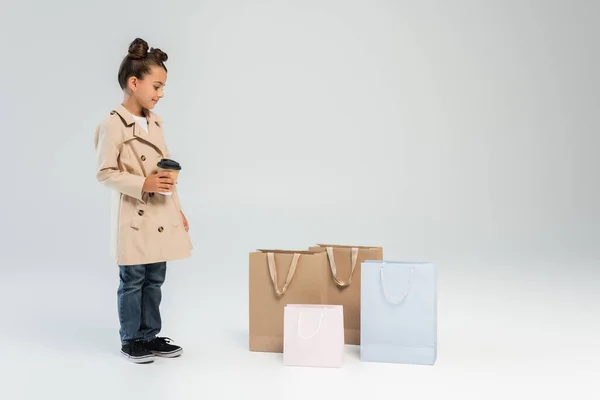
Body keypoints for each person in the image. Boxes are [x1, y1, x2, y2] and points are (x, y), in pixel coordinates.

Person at [94, 38, 193, 364]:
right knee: (133, 279)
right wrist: (142, 183)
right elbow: (105, 173)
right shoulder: (113, 124)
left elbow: (163, 169)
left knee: (155, 279)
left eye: (163, 87)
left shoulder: (155, 121)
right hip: (134, 216)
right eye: (157, 85)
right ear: (134, 83)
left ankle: (150, 334)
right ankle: (131, 339)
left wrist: (178, 212)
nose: (160, 93)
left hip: (161, 213)